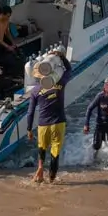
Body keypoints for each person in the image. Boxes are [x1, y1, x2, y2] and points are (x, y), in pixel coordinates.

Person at [26, 47, 72, 184]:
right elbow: (69, 70)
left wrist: (29, 129)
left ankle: (40, 168)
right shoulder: (60, 83)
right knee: (55, 151)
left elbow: (30, 111)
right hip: (58, 122)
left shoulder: (35, 91)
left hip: (43, 125)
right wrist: (61, 57)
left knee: (42, 148)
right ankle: (52, 178)